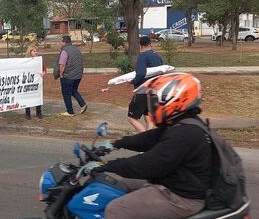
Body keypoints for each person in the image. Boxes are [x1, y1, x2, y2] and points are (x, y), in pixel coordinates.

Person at [86, 73, 212, 219]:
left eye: (155, 101)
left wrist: (106, 165)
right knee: (116, 186)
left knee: (115, 210)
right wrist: (115, 144)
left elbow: (148, 165)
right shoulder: (183, 123)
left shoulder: (186, 133)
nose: (152, 106)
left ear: (175, 100)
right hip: (172, 182)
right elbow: (150, 138)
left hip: (182, 197)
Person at [127, 36, 163, 132]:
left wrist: (133, 81)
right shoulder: (157, 57)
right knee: (148, 116)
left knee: (132, 118)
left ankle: (145, 138)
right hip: (154, 91)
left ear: (141, 45)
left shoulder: (142, 56)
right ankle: (150, 137)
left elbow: (141, 73)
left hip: (143, 91)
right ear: (150, 44)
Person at [53, 35, 87, 117]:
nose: (60, 43)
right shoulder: (76, 49)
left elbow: (62, 64)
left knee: (66, 93)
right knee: (73, 90)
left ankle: (70, 112)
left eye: (61, 41)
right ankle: (82, 104)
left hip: (68, 76)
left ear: (64, 41)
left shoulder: (65, 51)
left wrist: (61, 74)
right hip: (78, 75)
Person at [24, 46, 47, 120]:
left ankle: (39, 112)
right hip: (28, 81)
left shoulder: (39, 60)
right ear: (29, 52)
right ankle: (27, 113)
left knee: (38, 96)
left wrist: (43, 73)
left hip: (37, 82)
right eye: (34, 51)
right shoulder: (25, 61)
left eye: (36, 51)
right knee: (28, 97)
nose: (36, 52)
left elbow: (44, 69)